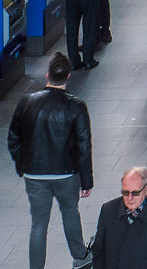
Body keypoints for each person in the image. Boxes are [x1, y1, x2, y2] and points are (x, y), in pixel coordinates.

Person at [9, 54, 93, 269]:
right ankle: (80, 258)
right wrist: (86, 181)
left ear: (47, 75)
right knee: (70, 214)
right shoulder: (76, 106)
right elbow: (84, 147)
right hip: (66, 174)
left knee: (38, 224)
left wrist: (23, 165)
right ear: (68, 76)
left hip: (34, 175)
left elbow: (13, 138)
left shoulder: (27, 102)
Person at [90, 167, 147, 269]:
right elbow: (98, 250)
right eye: (125, 192)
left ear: (146, 189)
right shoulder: (108, 210)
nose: (130, 198)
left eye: (135, 193)